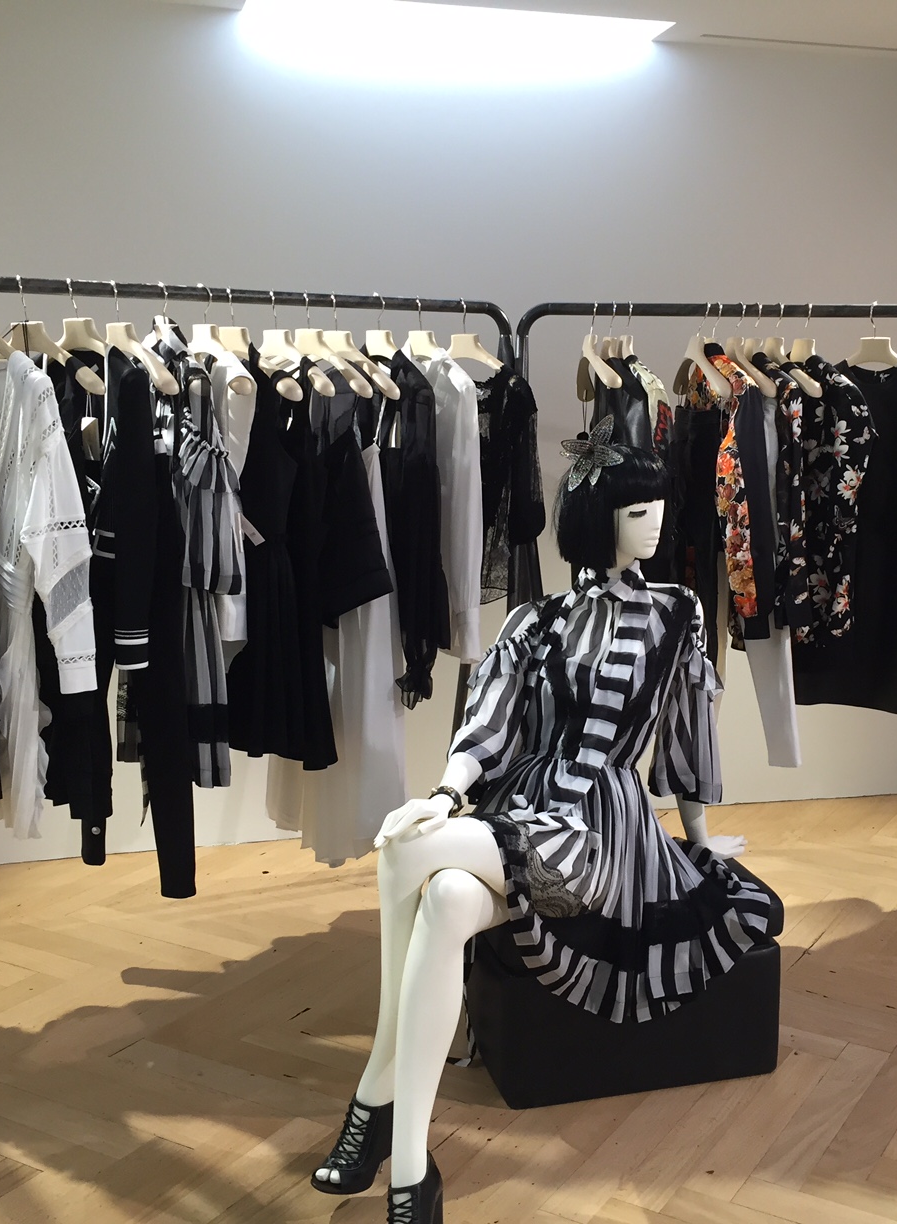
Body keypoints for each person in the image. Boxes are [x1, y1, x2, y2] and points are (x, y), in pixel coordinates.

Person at [312, 420, 774, 1224]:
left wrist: (697, 845)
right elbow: (487, 725)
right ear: (596, 519)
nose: (657, 522)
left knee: (405, 852)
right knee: (445, 897)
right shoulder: (538, 619)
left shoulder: (677, 612)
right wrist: (446, 793)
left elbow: (687, 728)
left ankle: (373, 1097)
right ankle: (413, 1168)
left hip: (605, 837)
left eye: (658, 506)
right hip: (526, 813)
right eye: (637, 510)